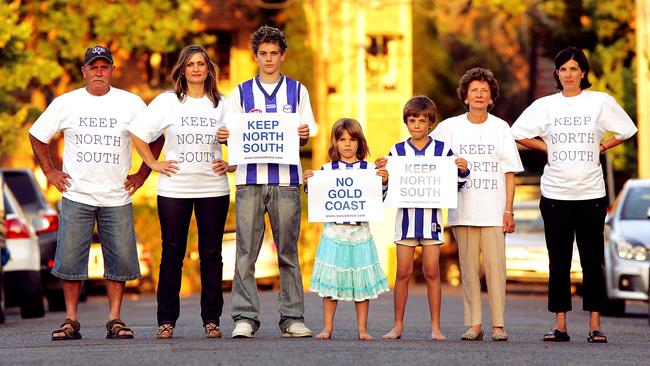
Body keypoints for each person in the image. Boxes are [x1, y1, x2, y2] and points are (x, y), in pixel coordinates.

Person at [29, 45, 162, 340]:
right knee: (70, 260)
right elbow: (38, 135)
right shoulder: (67, 103)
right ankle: (71, 320)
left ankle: (115, 318)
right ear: (84, 72)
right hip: (77, 193)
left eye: (104, 67)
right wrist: (50, 172)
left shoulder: (131, 103)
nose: (99, 72)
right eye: (94, 67)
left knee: (120, 261)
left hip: (117, 195)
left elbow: (156, 135)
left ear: (112, 70)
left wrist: (143, 173)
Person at [511, 47, 637, 343]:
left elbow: (627, 129)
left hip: (591, 194)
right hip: (555, 194)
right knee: (559, 261)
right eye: (563, 69)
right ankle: (560, 325)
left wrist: (603, 146)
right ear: (557, 74)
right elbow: (517, 133)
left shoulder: (599, 102)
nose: (568, 74)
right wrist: (546, 147)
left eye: (574, 69)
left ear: (583, 72)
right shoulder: (545, 106)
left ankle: (595, 325)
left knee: (593, 260)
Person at [216, 25, 316, 338]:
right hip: (249, 181)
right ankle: (244, 318)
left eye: (274, 53)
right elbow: (231, 134)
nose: (269, 58)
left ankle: (292, 318)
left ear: (282, 55)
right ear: (255, 56)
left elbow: (308, 130)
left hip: (286, 181)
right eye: (263, 53)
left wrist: (302, 134)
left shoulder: (297, 91)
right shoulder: (240, 93)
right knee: (246, 251)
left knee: (288, 252)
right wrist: (225, 137)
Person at [128, 45, 231, 339]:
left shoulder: (223, 104)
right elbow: (138, 131)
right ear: (182, 70)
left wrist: (231, 162)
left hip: (213, 187)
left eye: (201, 63)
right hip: (174, 187)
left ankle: (212, 320)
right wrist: (151, 162)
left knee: (212, 254)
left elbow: (241, 139)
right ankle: (166, 321)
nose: (196, 69)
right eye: (190, 64)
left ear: (209, 69)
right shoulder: (167, 102)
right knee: (173, 253)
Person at [431, 68, 523, 341]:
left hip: (493, 210)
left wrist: (509, 210)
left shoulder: (501, 128)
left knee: (496, 268)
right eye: (474, 91)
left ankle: (498, 324)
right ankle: (474, 323)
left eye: (485, 91)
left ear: (491, 97)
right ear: (466, 97)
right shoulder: (449, 127)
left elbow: (509, 172)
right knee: (468, 269)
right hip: (462, 209)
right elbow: (425, 154)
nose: (480, 95)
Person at [377, 96, 469, 340]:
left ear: (431, 123)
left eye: (422, 120)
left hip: (432, 221)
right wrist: (383, 178)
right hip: (404, 221)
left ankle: (436, 327)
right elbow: (386, 191)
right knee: (403, 273)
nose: (417, 125)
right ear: (406, 122)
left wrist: (461, 170)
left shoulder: (443, 152)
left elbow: (456, 186)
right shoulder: (396, 152)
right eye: (412, 120)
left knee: (431, 272)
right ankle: (397, 325)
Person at [305, 118, 390, 340]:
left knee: (360, 284)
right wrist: (308, 184)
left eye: (352, 139)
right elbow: (318, 197)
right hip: (334, 234)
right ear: (335, 143)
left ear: (360, 143)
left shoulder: (371, 170)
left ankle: (362, 328)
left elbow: (379, 198)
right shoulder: (326, 170)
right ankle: (327, 327)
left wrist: (383, 182)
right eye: (342, 139)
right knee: (331, 283)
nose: (347, 144)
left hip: (360, 234)